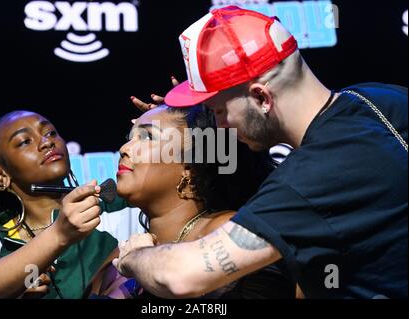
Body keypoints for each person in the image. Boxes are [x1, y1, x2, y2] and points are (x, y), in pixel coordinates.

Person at [113, 6, 408, 299]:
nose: (218, 127)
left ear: (260, 97)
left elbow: (181, 277)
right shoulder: (383, 97)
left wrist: (135, 256)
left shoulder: (310, 178)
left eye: (219, 111)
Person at [86, 104, 295, 299]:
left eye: (147, 137)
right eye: (130, 137)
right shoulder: (117, 259)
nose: (125, 148)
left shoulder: (225, 232)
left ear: (190, 165)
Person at [0, 110, 126, 298]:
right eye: (24, 142)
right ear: (1, 175)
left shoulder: (115, 206)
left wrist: (164, 122)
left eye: (50, 133)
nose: (47, 142)